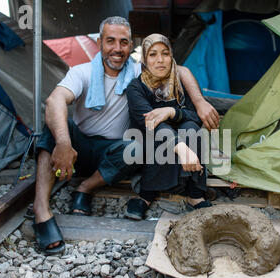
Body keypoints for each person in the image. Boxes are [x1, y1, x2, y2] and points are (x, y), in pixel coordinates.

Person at [31, 17, 219, 255]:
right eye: (110, 41)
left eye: (123, 42)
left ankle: (85, 188)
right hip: (79, 147)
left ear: (131, 46)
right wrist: (64, 142)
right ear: (99, 42)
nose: (117, 49)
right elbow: (55, 100)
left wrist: (200, 102)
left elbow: (179, 70)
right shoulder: (83, 72)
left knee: (136, 149)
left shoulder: (137, 72)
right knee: (54, 126)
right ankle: (41, 209)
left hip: (115, 152)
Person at [125, 33, 212, 220]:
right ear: (144, 59)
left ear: (171, 55)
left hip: (183, 140)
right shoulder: (136, 88)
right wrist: (180, 148)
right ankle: (146, 195)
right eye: (153, 54)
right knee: (160, 135)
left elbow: (195, 116)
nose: (160, 60)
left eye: (165, 53)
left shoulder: (181, 82)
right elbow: (150, 124)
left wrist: (172, 112)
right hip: (149, 143)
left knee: (191, 129)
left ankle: (195, 195)